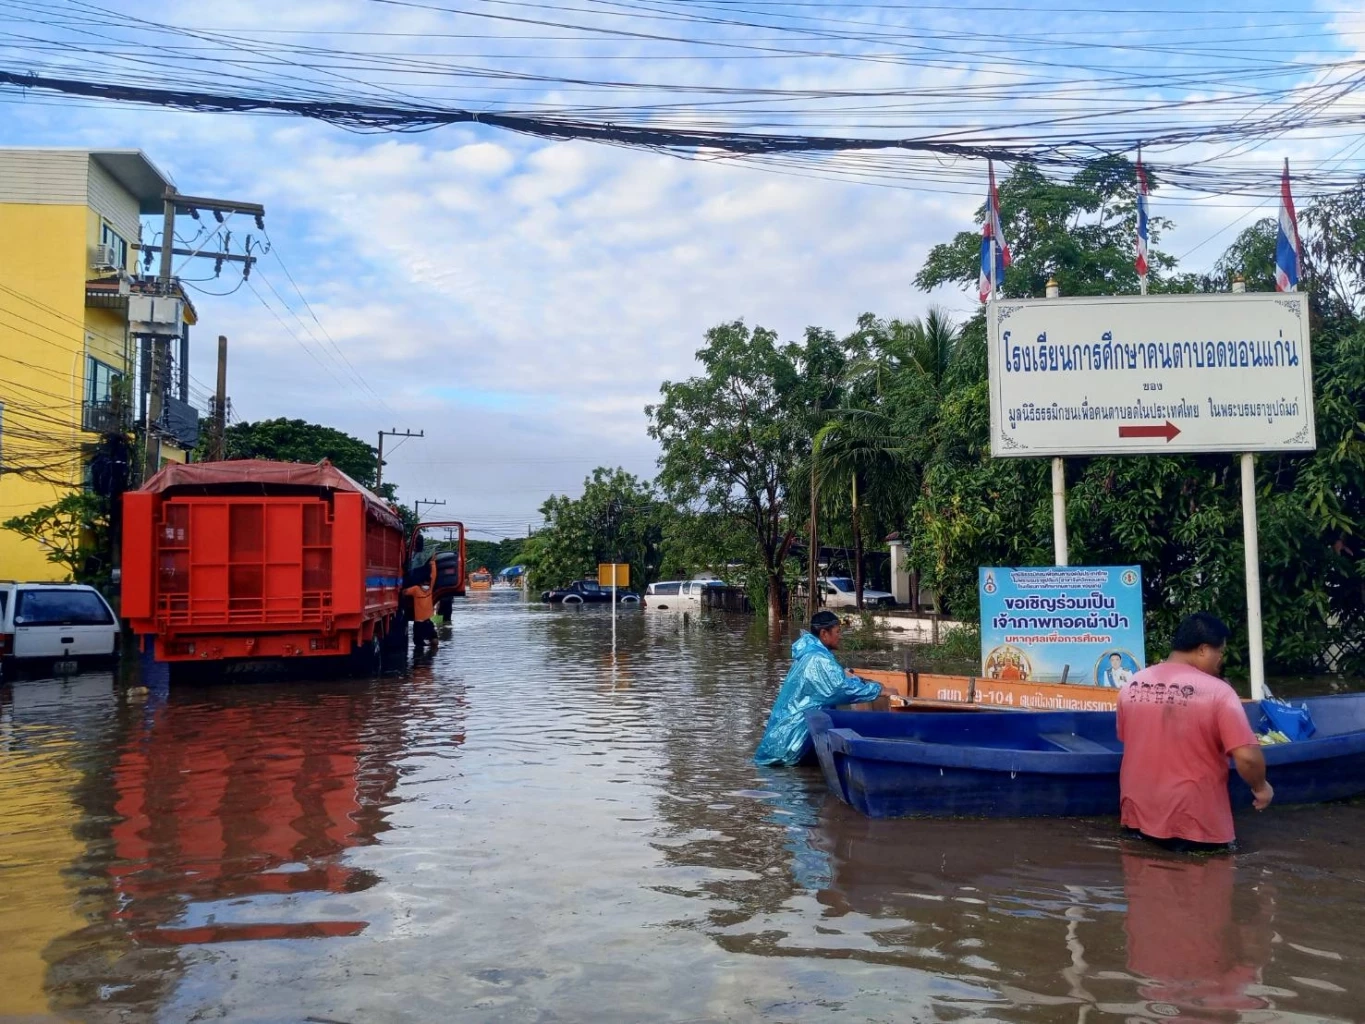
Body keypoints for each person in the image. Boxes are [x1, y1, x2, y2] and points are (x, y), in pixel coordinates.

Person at [1117, 612, 1272, 852]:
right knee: (1209, 884)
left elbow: (1131, 741)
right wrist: (1261, 788)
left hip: (1137, 817)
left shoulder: (1132, 685)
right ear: (1203, 650)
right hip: (1194, 823)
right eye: (1220, 652)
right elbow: (1247, 757)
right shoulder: (1218, 693)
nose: (1220, 659)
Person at [754, 611, 886, 766]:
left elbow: (837, 682)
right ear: (824, 633)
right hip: (790, 744)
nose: (840, 636)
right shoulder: (819, 660)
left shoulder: (811, 654)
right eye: (837, 632)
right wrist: (877, 689)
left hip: (781, 739)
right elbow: (840, 689)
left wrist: (860, 681)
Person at [404, 557, 439, 651]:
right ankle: (431, 655)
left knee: (418, 644)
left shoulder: (415, 589)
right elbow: (434, 575)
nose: (427, 585)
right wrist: (433, 563)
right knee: (434, 641)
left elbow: (404, 592)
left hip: (420, 621)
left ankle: (420, 661)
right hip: (428, 620)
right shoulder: (429, 590)